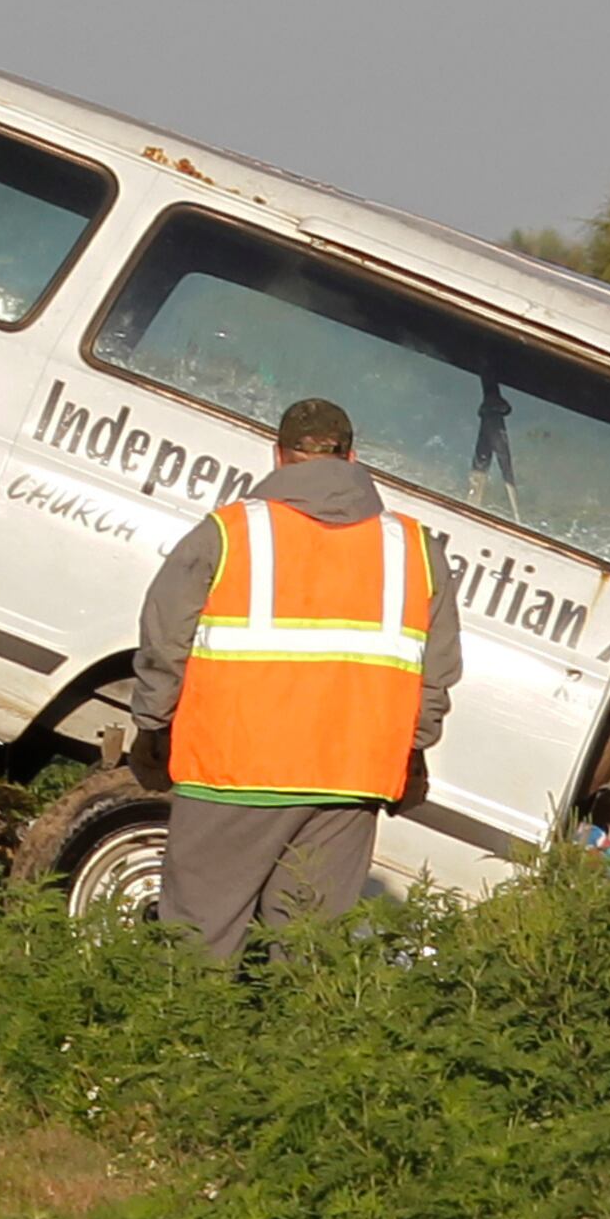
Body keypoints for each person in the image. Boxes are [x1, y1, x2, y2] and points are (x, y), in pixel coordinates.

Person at [128, 398, 463, 961]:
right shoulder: (415, 548)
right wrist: (413, 749)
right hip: (350, 782)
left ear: (278, 456)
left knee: (194, 946)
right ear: (353, 457)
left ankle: (179, 1046)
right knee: (307, 953)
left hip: (233, 771)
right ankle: (293, 1049)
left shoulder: (227, 532)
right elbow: (437, 672)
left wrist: (152, 725)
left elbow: (165, 640)